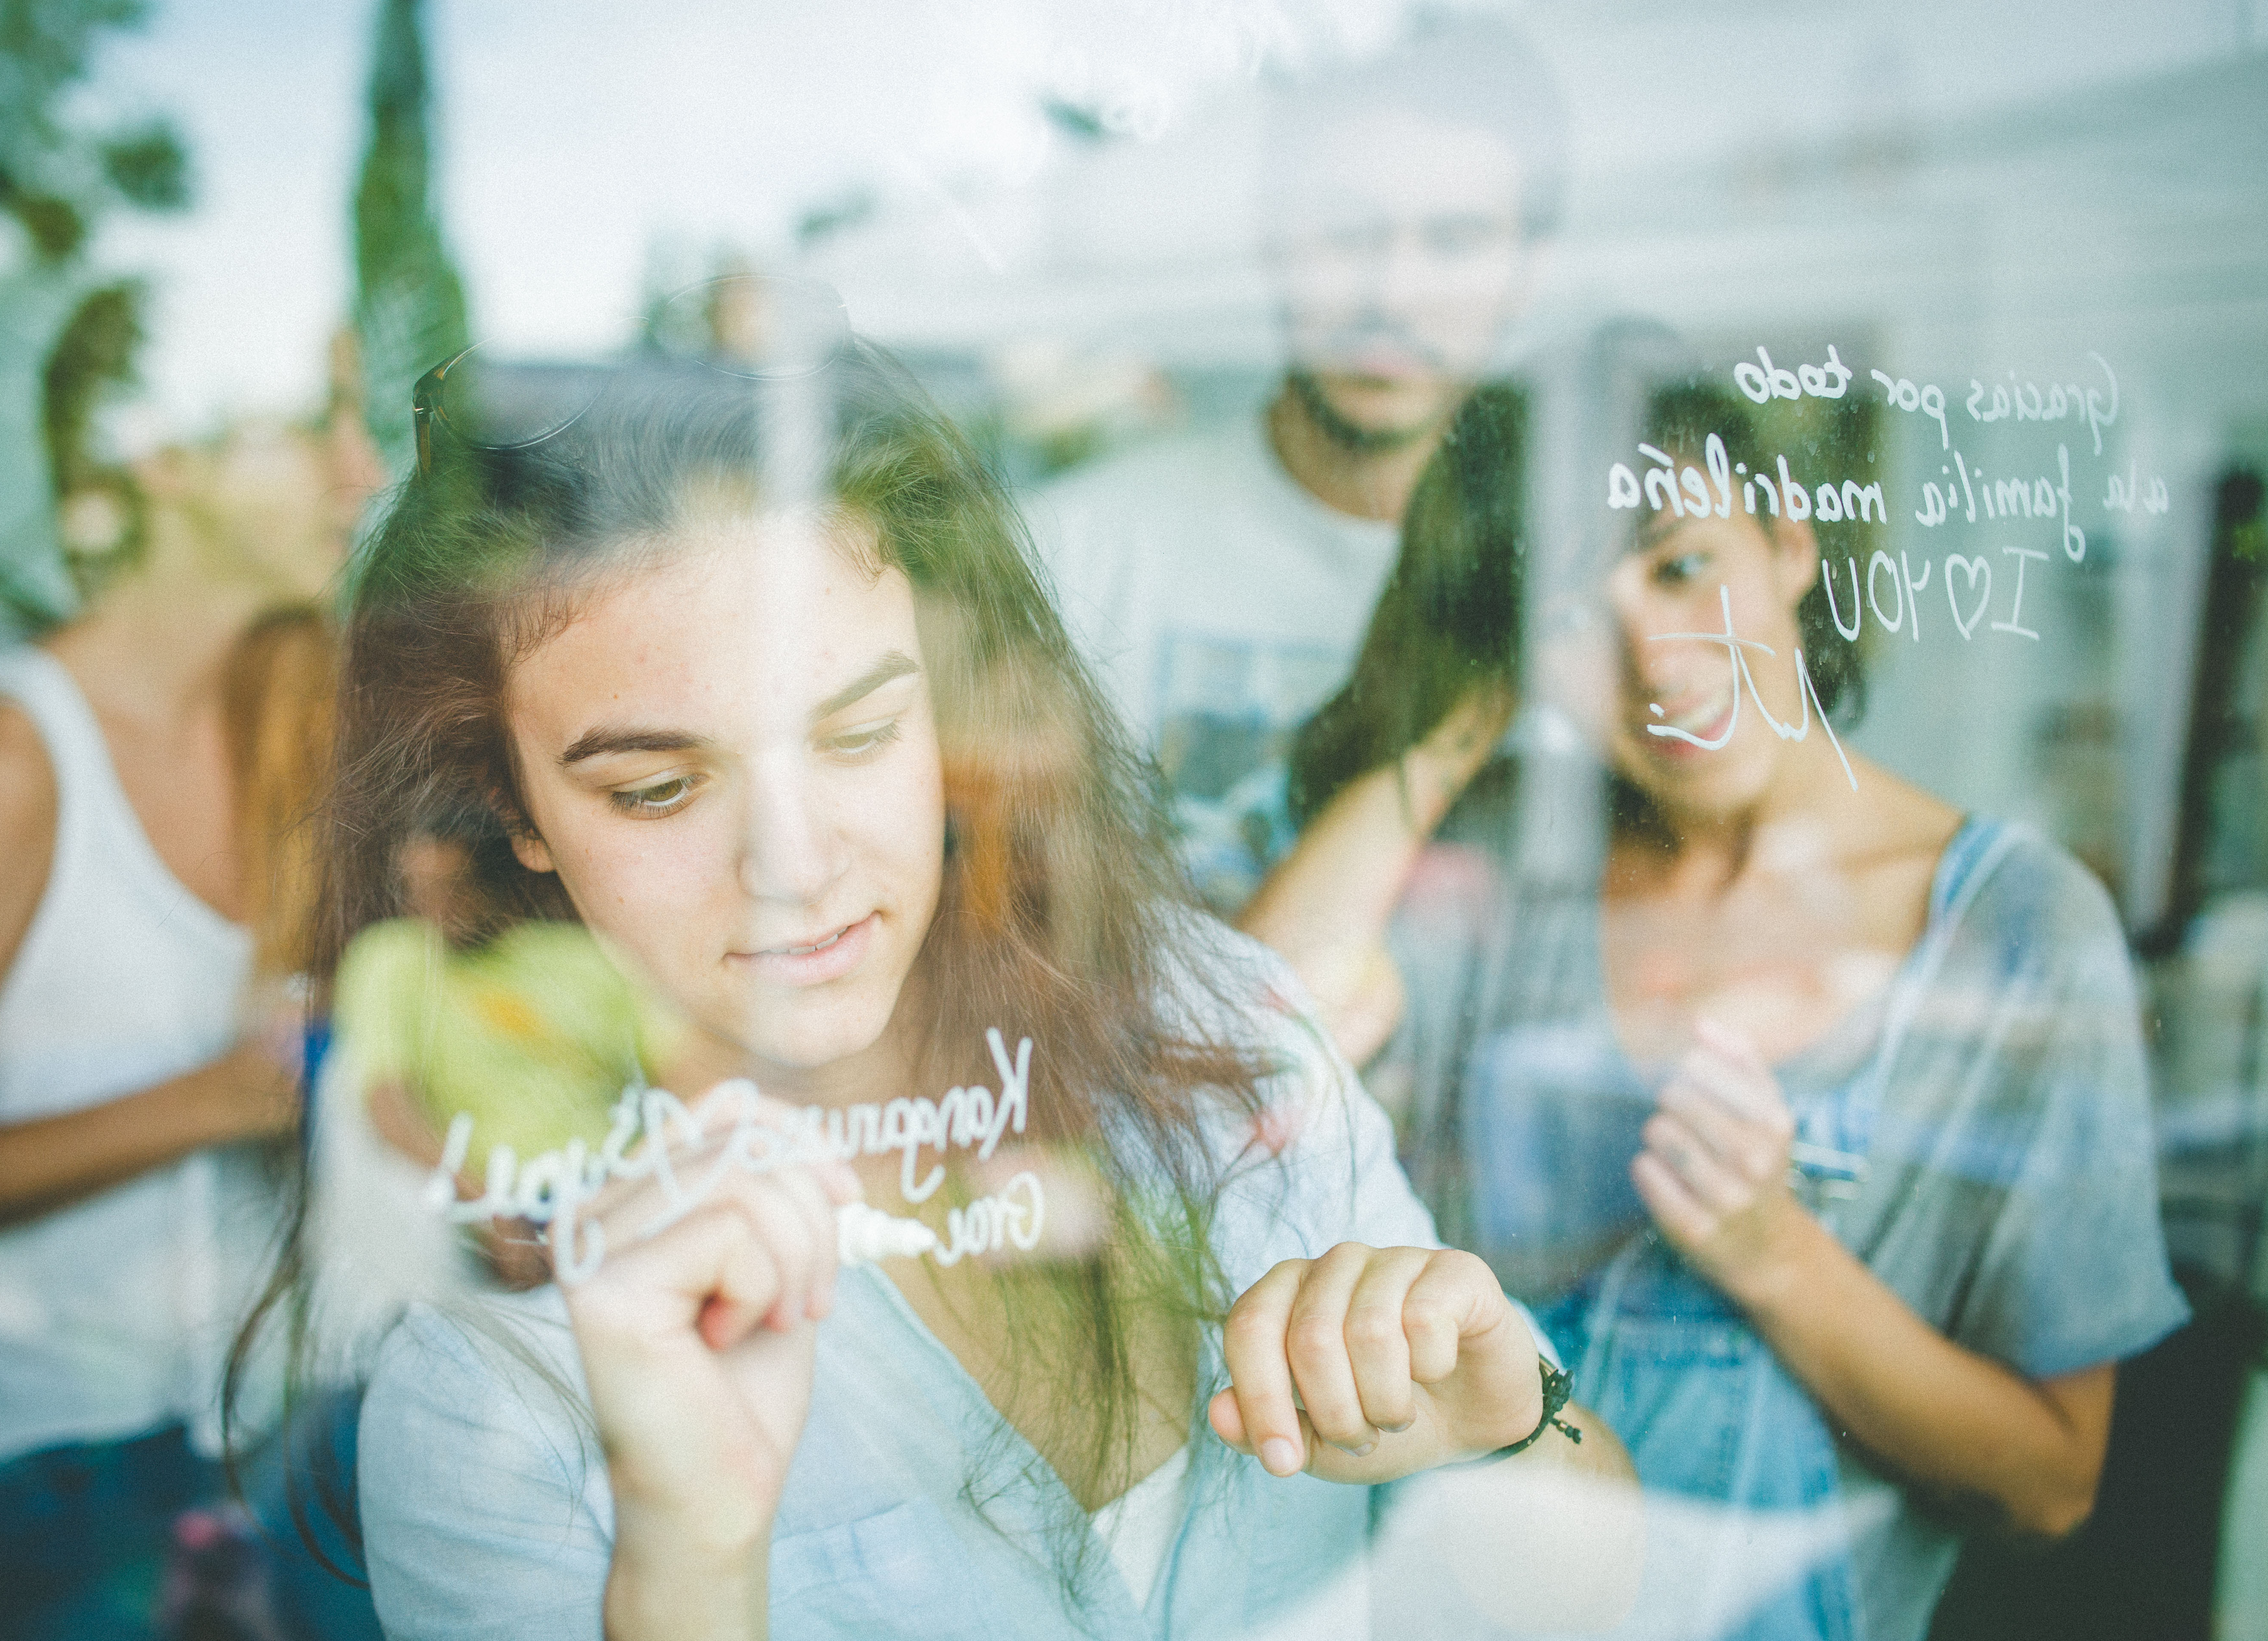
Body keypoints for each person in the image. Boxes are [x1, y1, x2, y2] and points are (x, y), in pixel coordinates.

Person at [308, 306, 1640, 1641]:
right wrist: (693, 1558)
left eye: (860, 735)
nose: (794, 862)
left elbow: (1597, 1608)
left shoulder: (1214, 1030)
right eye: (658, 789)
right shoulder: (501, 1388)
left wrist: (1511, 1429)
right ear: (512, 812)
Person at [1243, 378, 2189, 1641]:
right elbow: (1248, 1047)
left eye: (1684, 568)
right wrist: (1479, 698)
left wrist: (1778, 1258)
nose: (1657, 662)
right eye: (1579, 617)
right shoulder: (1521, 859)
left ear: (1794, 544)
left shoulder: (2023, 928)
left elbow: (2054, 1484)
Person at [0, 283, 386, 1638]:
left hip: (282, 1434)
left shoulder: (299, 704)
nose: (363, 468)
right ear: (163, 458)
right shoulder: (7, 761)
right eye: (315, 423)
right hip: (32, 1481)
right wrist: (215, 1098)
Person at [1027, 18, 1565, 914]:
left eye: (1456, 243)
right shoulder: (1069, 557)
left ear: (1530, 270)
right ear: (1274, 238)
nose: (1392, 295)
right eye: (1348, 235)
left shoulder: (1585, 583)